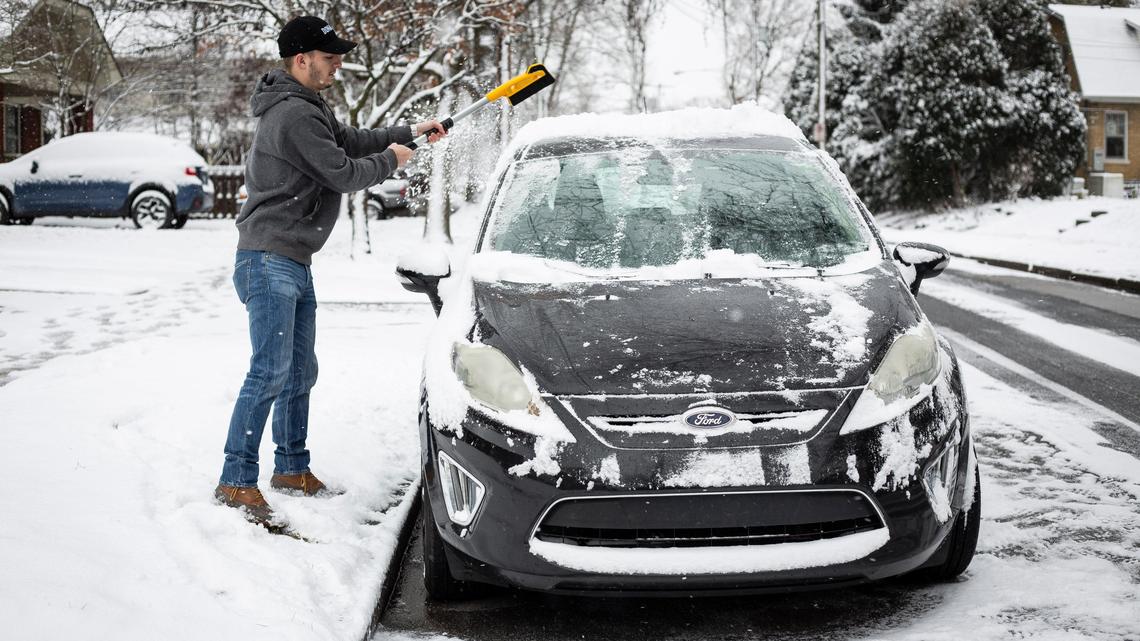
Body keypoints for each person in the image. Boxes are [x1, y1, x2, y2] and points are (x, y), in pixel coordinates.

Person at [214, 15, 446, 526]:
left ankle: (292, 470)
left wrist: (410, 131)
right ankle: (235, 480)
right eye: (330, 59)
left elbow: (349, 138)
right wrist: (393, 159)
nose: (338, 67)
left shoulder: (308, 107)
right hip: (268, 258)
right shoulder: (292, 115)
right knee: (269, 372)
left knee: (299, 371)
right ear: (302, 60)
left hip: (291, 259)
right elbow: (343, 173)